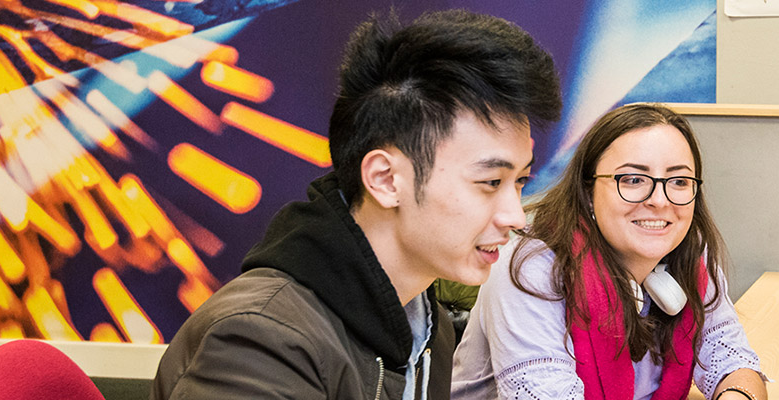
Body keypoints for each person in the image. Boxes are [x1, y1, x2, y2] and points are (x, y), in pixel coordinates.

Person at [151, 9, 561, 399]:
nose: (514, 217)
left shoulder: (428, 327)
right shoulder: (261, 339)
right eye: (490, 182)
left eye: (519, 181)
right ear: (385, 179)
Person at [451, 103, 767, 400]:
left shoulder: (689, 251)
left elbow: (732, 359)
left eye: (679, 181)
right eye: (632, 179)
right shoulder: (530, 265)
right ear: (588, 194)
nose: (659, 200)